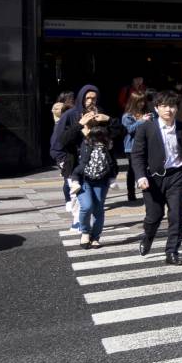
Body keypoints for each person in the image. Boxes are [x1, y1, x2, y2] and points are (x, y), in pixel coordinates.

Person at [132, 91, 182, 264]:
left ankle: (172, 251)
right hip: (153, 178)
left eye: (172, 106)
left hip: (176, 176)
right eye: (164, 106)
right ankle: (148, 236)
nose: (169, 110)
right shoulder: (146, 127)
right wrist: (140, 176)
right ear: (157, 108)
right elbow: (137, 155)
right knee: (154, 216)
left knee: (176, 215)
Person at [51, 85, 100, 231]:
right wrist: (80, 125)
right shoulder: (70, 114)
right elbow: (61, 139)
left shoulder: (98, 113)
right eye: (88, 98)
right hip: (71, 160)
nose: (90, 101)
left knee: (90, 194)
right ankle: (77, 221)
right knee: (75, 193)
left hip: (93, 161)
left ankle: (86, 222)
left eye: (94, 98)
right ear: (81, 98)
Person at [69, 111, 119, 248]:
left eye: (95, 116)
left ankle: (95, 236)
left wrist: (109, 118)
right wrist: (79, 125)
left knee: (98, 209)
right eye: (88, 116)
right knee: (86, 206)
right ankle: (85, 232)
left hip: (101, 180)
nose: (92, 119)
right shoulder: (78, 133)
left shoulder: (106, 138)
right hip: (83, 178)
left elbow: (122, 130)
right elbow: (62, 140)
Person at [121, 94, 152, 202]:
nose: (142, 104)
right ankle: (131, 193)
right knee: (132, 170)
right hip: (131, 147)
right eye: (139, 101)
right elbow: (130, 129)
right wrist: (141, 121)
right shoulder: (127, 116)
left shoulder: (146, 113)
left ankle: (147, 190)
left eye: (143, 101)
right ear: (133, 102)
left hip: (145, 145)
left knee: (146, 168)